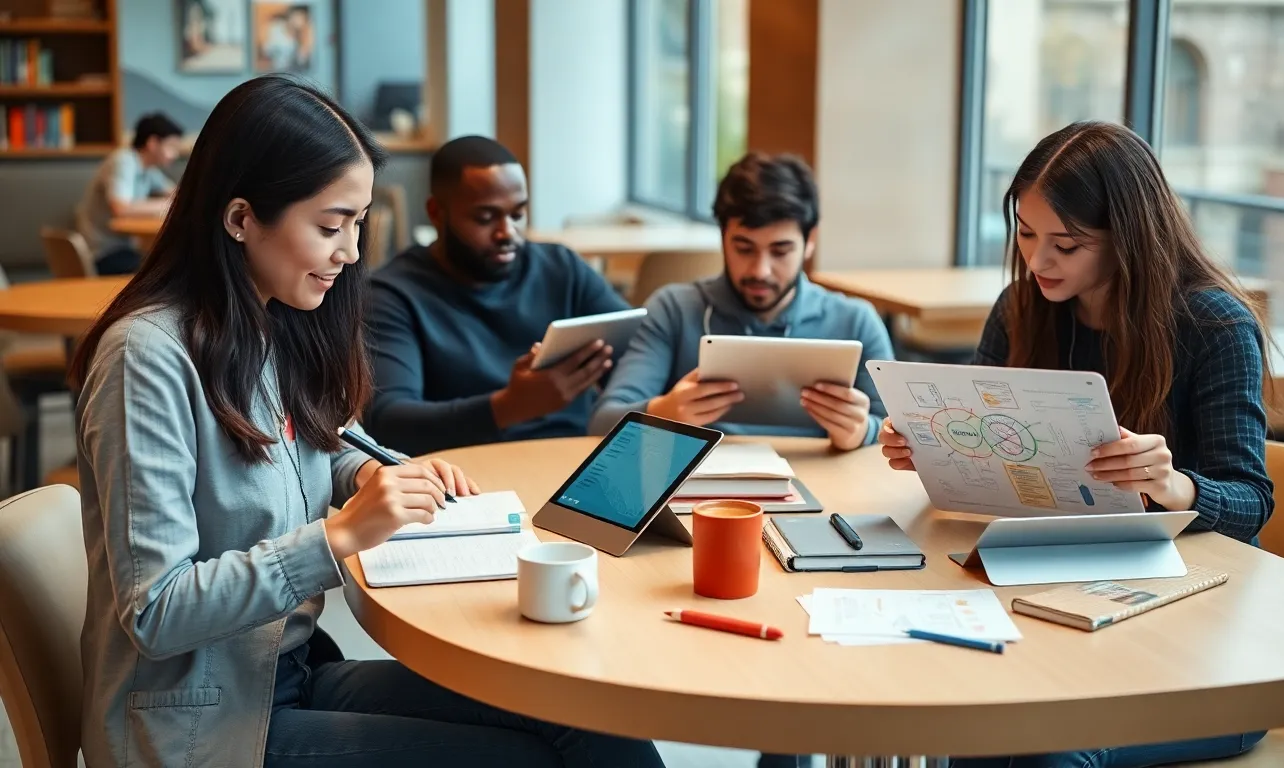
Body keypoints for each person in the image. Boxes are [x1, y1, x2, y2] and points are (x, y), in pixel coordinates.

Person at [70, 74, 665, 768]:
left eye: (357, 224)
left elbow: (318, 448)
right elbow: (156, 611)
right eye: (330, 226)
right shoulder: (146, 358)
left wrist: (379, 470)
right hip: (202, 723)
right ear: (240, 218)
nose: (350, 253)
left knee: (585, 713)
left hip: (281, 673)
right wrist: (342, 535)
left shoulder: (267, 324)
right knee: (523, 754)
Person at [879, 121, 1273, 768]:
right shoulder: (1021, 308)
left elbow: (1253, 501)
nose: (1037, 262)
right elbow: (991, 457)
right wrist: (932, 444)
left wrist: (1174, 488)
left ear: (1130, 237)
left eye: (1066, 244)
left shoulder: (1213, 325)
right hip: (1061, 603)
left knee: (1035, 748)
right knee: (974, 723)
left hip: (1201, 651)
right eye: (1026, 234)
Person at [589, 152, 893, 452]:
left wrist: (862, 431)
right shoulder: (674, 309)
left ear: (810, 240)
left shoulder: (855, 321)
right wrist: (663, 413)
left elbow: (897, 434)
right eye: (744, 248)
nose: (760, 270)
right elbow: (601, 422)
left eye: (780, 251)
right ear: (723, 237)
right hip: (700, 492)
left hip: (826, 491)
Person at [363, 135, 629, 455]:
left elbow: (636, 353)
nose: (507, 233)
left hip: (574, 460)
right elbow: (388, 422)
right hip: (465, 474)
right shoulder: (393, 294)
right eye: (485, 218)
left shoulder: (562, 268)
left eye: (517, 214)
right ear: (436, 213)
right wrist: (506, 408)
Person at [76, 112, 182, 275]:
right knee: (165, 272)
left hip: (125, 249)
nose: (175, 154)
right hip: (103, 253)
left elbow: (176, 193)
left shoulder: (148, 169)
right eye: (171, 147)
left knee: (171, 262)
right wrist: (164, 205)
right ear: (153, 143)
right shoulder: (123, 161)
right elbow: (120, 208)